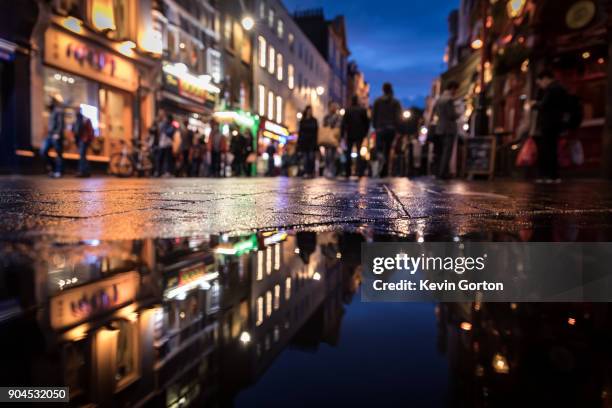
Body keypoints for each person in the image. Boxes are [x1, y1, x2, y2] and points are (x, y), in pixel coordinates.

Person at [533, 69, 568, 183]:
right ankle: (553, 176)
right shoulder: (559, 88)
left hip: (549, 123)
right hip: (556, 123)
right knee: (552, 149)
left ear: (546, 79)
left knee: (547, 149)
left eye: (540, 82)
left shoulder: (552, 89)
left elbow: (543, 105)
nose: (541, 85)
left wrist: (535, 104)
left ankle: (549, 176)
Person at [372, 83, 402, 177]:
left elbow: (374, 115)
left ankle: (381, 159)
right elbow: (398, 117)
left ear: (383, 89)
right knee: (388, 149)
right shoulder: (395, 102)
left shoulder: (377, 101)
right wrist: (398, 128)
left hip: (380, 128)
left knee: (379, 148)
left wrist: (375, 126)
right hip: (391, 129)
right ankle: (384, 172)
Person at [433, 81, 459, 179]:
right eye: (456, 90)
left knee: (440, 151)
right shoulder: (449, 99)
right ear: (452, 88)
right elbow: (451, 115)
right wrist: (459, 113)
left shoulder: (439, 98)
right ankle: (443, 173)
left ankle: (439, 172)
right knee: (447, 151)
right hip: (448, 128)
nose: (456, 92)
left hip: (440, 128)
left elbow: (436, 112)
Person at [342, 95, 370, 177]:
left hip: (350, 134)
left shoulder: (348, 110)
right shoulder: (362, 110)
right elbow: (367, 122)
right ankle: (359, 172)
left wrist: (343, 134)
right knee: (359, 152)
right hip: (359, 134)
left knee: (348, 153)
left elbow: (343, 123)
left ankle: (348, 172)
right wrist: (365, 133)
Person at [40, 98, 65, 178]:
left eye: (50, 102)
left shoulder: (58, 111)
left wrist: (58, 133)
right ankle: (54, 168)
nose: (48, 104)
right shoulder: (51, 112)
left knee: (58, 153)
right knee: (43, 151)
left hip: (56, 135)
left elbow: (60, 123)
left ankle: (58, 171)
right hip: (50, 135)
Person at [321, 102, 342, 178]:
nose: (333, 108)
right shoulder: (326, 117)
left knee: (332, 155)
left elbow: (338, 126)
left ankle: (331, 170)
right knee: (327, 155)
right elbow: (323, 125)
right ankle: (327, 169)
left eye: (334, 107)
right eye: (331, 107)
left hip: (334, 138)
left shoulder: (338, 117)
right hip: (327, 138)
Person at [297, 106, 318, 178]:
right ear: (306, 111)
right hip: (304, 142)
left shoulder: (314, 120)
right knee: (305, 158)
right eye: (309, 110)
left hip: (312, 142)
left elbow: (316, 132)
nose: (310, 111)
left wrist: (316, 143)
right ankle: (306, 172)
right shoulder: (302, 121)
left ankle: (311, 172)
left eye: (311, 110)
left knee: (311, 157)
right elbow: (300, 132)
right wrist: (299, 143)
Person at [73, 109, 94, 177]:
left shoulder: (85, 119)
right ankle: (86, 171)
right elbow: (74, 130)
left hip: (84, 140)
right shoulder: (76, 120)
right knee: (82, 155)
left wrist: (87, 139)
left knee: (82, 155)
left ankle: (82, 171)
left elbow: (90, 131)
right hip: (79, 140)